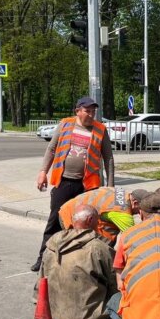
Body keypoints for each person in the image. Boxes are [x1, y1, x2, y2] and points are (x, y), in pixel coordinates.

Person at [32, 96, 114, 272]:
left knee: (87, 223)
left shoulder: (100, 130)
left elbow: (108, 158)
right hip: (64, 182)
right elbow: (51, 149)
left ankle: (82, 261)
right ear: (78, 111)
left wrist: (110, 187)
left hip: (88, 186)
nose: (91, 114)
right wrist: (42, 173)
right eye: (87, 111)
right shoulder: (65, 124)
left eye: (93, 111)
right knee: (54, 221)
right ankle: (43, 259)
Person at [41, 204, 116, 319]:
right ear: (90, 220)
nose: (98, 225)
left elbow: (41, 278)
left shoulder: (51, 243)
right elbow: (116, 280)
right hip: (88, 316)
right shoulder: (97, 247)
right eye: (97, 221)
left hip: (52, 313)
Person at [58, 188, 150, 246]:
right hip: (72, 217)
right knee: (93, 250)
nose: (140, 213)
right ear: (135, 203)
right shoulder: (123, 212)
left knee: (109, 237)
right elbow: (134, 238)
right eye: (142, 209)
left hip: (70, 208)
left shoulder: (121, 192)